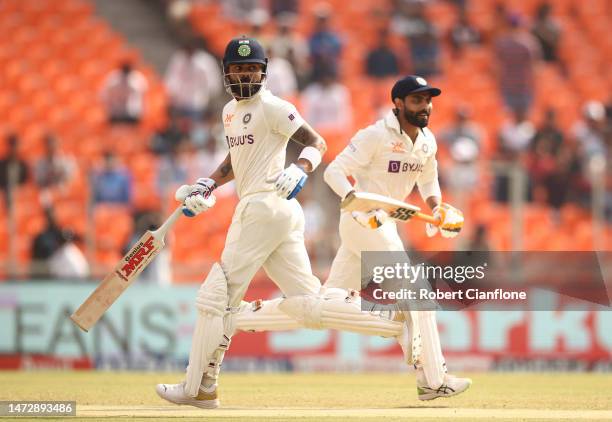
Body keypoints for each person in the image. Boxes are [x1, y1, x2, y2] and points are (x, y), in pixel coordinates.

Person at [155, 36, 412, 409]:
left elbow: (317, 142)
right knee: (308, 304)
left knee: (215, 299)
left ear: (264, 73)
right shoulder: (229, 112)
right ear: (227, 73)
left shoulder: (274, 106)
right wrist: (207, 184)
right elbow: (235, 160)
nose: (244, 75)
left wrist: (300, 168)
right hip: (277, 213)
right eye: (238, 68)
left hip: (264, 205)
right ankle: (394, 323)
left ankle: (200, 387)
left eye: (252, 69)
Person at [228, 75, 472, 401]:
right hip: (362, 222)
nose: (425, 107)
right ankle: (434, 379)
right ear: (398, 104)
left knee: (320, 305)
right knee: (418, 292)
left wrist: (436, 207)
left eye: (428, 100)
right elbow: (333, 172)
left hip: (385, 225)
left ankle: (239, 317)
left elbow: (429, 180)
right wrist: (355, 199)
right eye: (417, 101)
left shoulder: (428, 142)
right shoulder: (374, 135)